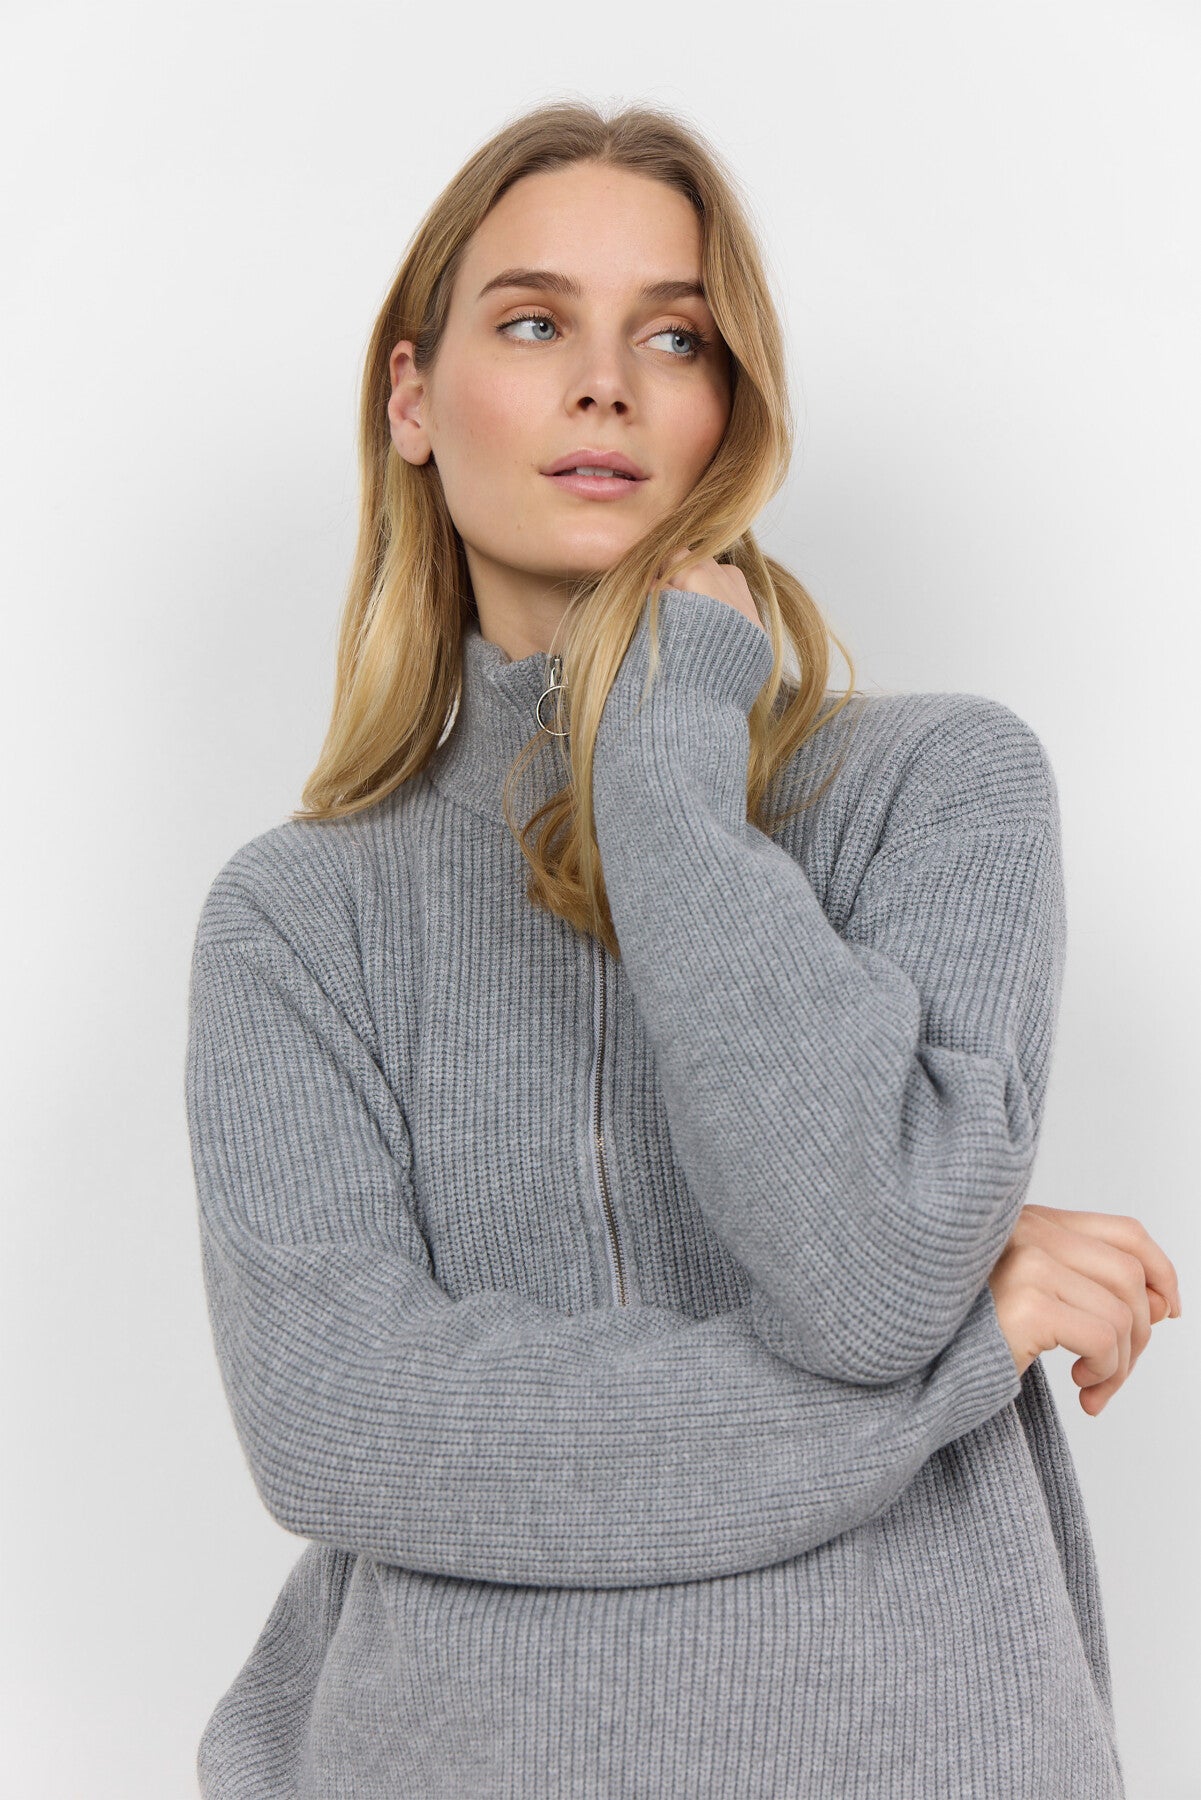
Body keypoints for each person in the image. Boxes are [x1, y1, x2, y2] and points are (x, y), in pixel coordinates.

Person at [184, 99, 1181, 1798]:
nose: (606, 385)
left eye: (673, 336)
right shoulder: (297, 917)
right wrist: (955, 1359)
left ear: (728, 408)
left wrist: (659, 754)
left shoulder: (938, 790)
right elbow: (345, 1430)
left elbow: (866, 1270)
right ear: (411, 398)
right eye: (532, 324)